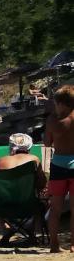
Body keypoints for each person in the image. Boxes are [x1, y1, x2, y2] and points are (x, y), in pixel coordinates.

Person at [0, 133, 45, 245]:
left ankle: (6, 228)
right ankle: (31, 233)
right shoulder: (34, 159)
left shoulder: (1, 161)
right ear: (29, 146)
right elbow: (42, 183)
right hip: (28, 204)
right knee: (44, 202)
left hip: (4, 206)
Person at [46, 85, 74, 252]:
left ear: (63, 104)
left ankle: (54, 244)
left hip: (58, 167)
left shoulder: (52, 120)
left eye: (56, 103)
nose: (55, 105)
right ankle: (73, 244)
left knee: (55, 208)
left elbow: (47, 144)